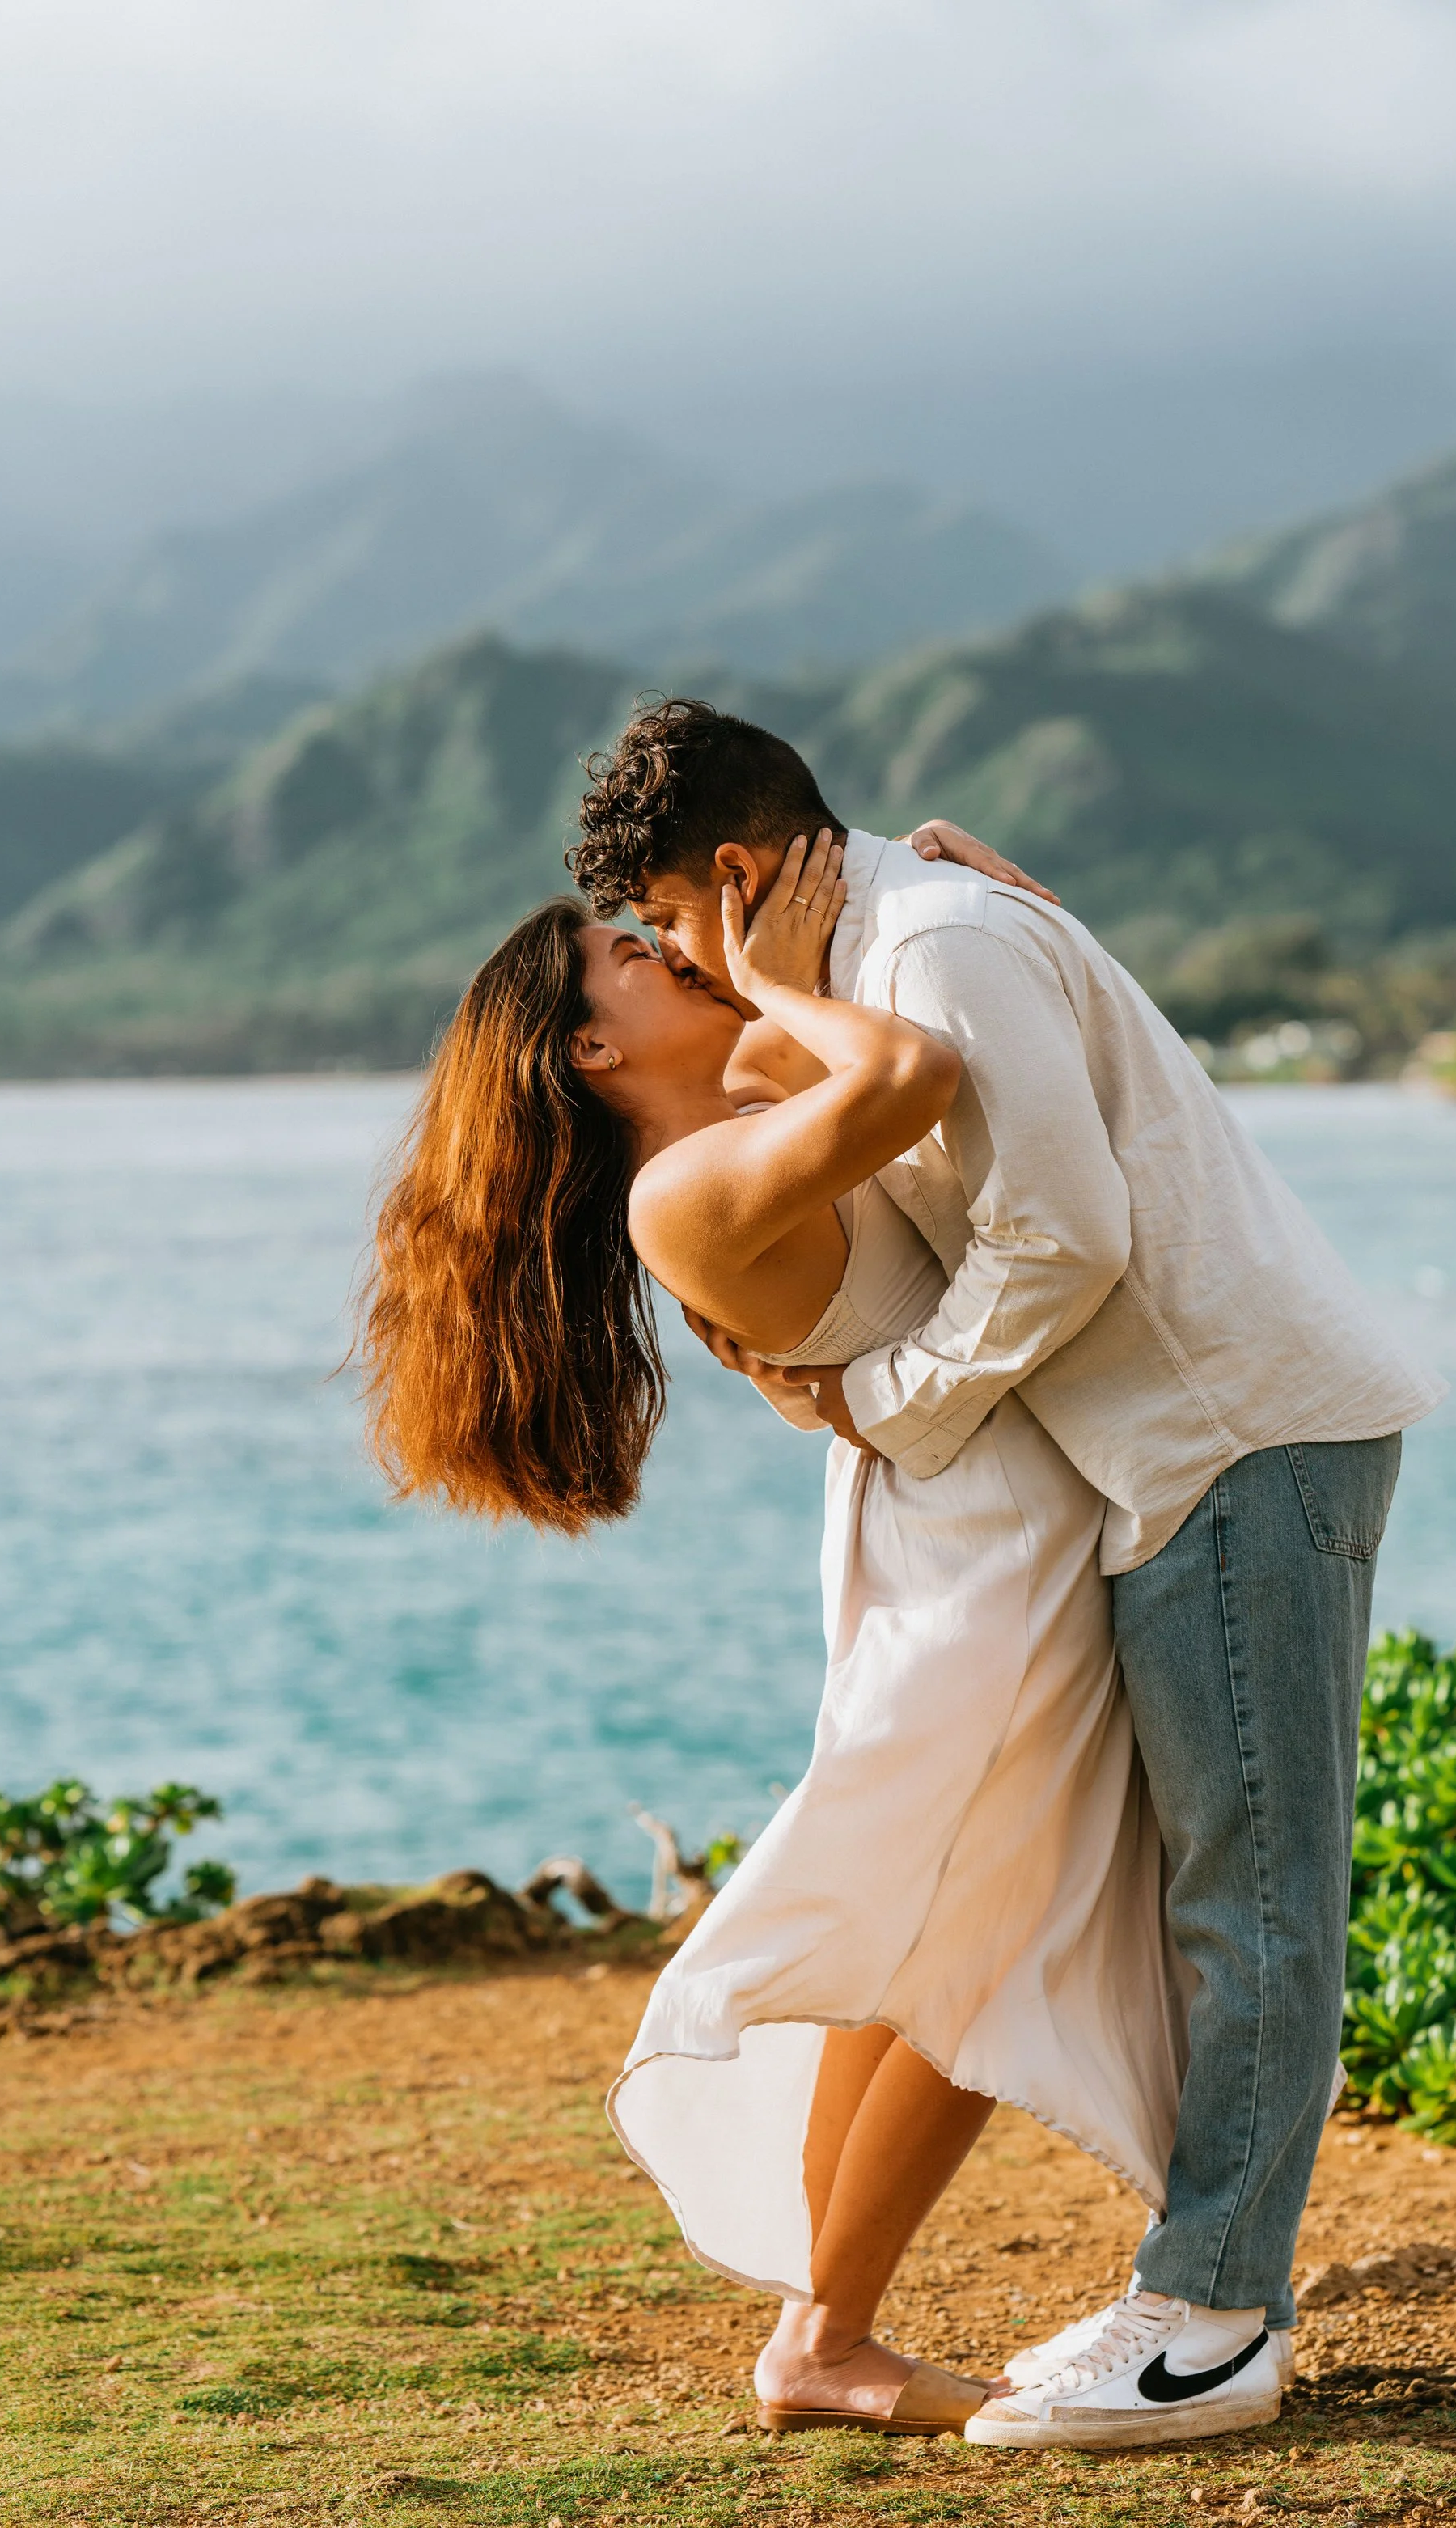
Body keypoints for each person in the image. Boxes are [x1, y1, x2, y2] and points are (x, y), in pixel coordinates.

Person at [569, 699, 1445, 2450]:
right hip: (1163, 1451)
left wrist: (884, 1399)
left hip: (1227, 1430)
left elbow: (1063, 1229)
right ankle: (1163, 2286)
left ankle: (1206, 2318)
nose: (675, 957)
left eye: (669, 921)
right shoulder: (918, 938)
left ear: (736, 878)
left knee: (1249, 1886)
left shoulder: (931, 943)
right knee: (1186, 1887)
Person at [358, 843, 1187, 2441]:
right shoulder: (687, 1183)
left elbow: (993, 1046)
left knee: (928, 1945)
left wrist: (1003, 912)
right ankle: (824, 2334)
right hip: (980, 1559)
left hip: (966, 1534)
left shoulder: (742, 1117)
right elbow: (922, 1061)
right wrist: (790, 969)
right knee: (970, 1953)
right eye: (623, 949)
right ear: (591, 1049)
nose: (658, 947)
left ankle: (825, 2326)